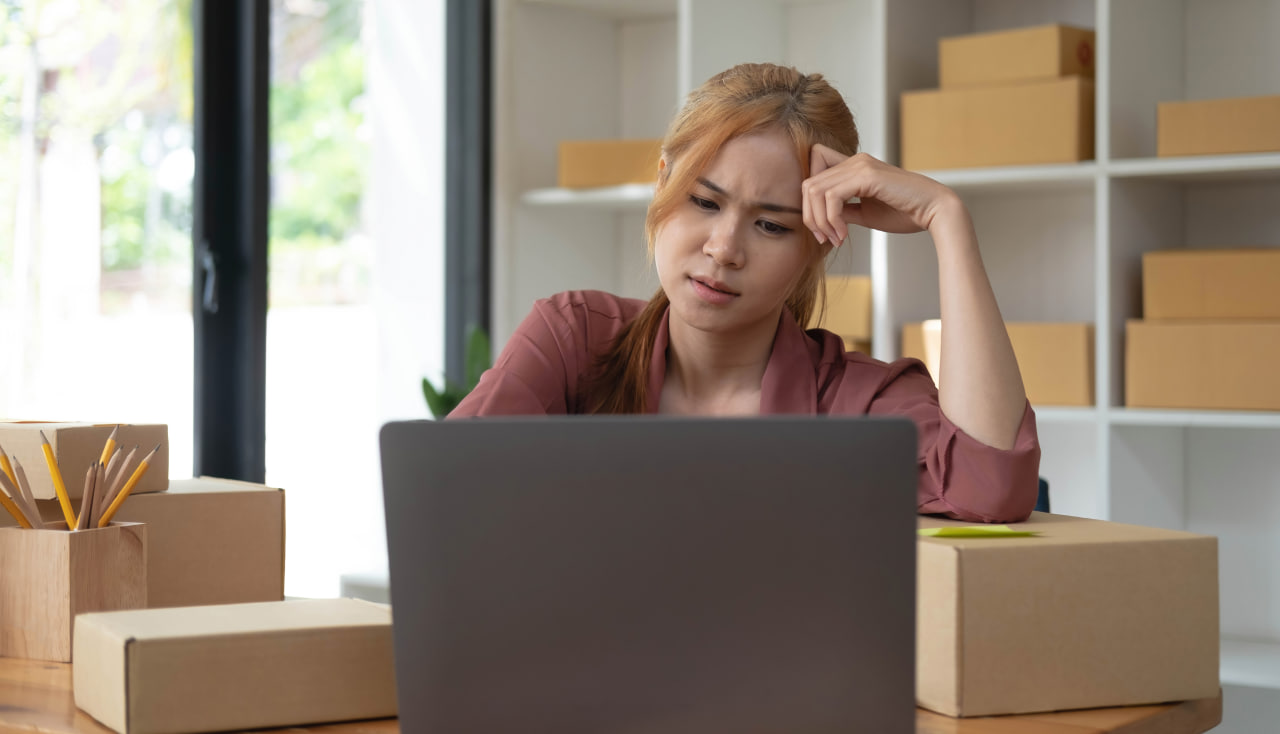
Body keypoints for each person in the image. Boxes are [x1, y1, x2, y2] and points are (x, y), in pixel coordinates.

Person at [450, 63, 1039, 523]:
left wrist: (946, 216)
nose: (724, 248)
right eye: (704, 202)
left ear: (819, 241)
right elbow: (445, 488)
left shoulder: (853, 402)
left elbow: (991, 486)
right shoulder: (574, 338)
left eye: (772, 225)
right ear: (663, 181)